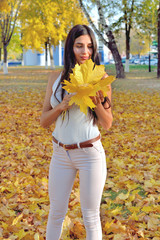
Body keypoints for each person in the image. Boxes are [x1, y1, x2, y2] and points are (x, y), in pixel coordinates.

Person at [40, 24, 113, 240]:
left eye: (89, 47)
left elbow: (107, 123)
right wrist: (61, 106)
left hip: (90, 154)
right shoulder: (55, 79)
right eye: (79, 46)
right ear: (70, 47)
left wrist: (97, 104)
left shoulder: (101, 79)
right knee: (56, 214)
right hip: (61, 154)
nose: (85, 52)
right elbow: (44, 121)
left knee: (91, 216)